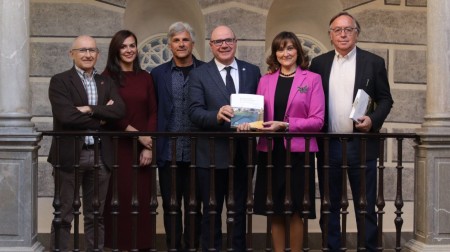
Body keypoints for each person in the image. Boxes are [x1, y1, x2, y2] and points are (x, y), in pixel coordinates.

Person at [309, 12, 393, 251]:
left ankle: (368, 247)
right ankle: (331, 247)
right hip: (329, 144)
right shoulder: (319, 64)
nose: (343, 34)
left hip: (362, 143)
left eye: (348, 29)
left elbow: (386, 100)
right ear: (330, 35)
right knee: (330, 204)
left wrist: (373, 120)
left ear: (357, 33)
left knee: (364, 204)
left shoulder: (373, 62)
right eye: (337, 30)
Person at [237, 31, 325, 252]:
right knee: (274, 209)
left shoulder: (312, 79)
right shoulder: (265, 80)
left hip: (298, 153)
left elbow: (318, 121)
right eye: (280, 49)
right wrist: (247, 123)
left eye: (289, 48)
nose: (285, 53)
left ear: (297, 51)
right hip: (269, 152)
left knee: (295, 210)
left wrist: (285, 125)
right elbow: (258, 117)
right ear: (275, 53)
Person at [47, 35, 126, 252]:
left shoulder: (106, 82)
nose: (88, 54)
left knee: (96, 214)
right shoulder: (60, 81)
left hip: (101, 155)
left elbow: (119, 110)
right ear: (71, 54)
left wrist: (90, 109)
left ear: (98, 54)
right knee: (63, 213)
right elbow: (66, 116)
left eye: (92, 50)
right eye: (82, 50)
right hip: (70, 154)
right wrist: (102, 117)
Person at [188, 25, 261, 251]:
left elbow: (259, 107)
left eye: (228, 40)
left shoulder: (252, 71)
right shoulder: (198, 74)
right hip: (210, 154)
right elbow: (194, 112)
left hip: (243, 153)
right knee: (212, 211)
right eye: (218, 42)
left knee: (239, 210)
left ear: (236, 41)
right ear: (211, 45)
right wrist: (217, 116)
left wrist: (256, 123)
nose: (224, 45)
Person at [102, 30, 157, 251]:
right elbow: (110, 115)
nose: (128, 50)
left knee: (143, 202)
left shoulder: (146, 77)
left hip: (143, 149)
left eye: (132, 45)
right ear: (116, 50)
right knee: (118, 201)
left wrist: (149, 145)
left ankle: (142, 246)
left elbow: (154, 112)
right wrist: (139, 136)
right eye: (123, 46)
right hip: (117, 149)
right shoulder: (106, 78)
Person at [151, 21, 204, 251]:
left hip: (198, 151)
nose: (181, 44)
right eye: (176, 40)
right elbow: (152, 109)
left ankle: (192, 246)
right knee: (171, 206)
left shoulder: (206, 71)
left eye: (185, 40)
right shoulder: (157, 74)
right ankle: (174, 247)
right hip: (168, 151)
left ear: (192, 43)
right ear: (170, 45)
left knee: (194, 206)